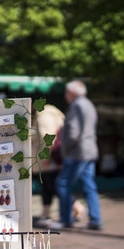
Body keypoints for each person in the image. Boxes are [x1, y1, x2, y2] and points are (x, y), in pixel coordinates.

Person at [53, 79, 103, 230]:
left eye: (67, 93)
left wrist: (64, 146)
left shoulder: (76, 106)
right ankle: (95, 219)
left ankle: (65, 219)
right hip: (89, 151)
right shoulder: (88, 104)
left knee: (63, 183)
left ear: (72, 93)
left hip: (77, 153)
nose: (65, 96)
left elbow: (74, 132)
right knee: (89, 185)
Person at [34, 103, 65, 226]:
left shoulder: (43, 116)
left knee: (52, 187)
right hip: (52, 160)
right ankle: (45, 214)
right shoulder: (53, 114)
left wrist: (46, 156)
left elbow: (48, 138)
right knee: (48, 188)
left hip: (47, 161)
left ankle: (77, 207)